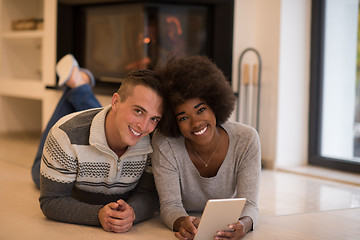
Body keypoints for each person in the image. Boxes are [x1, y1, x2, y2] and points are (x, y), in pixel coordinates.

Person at [32, 54, 164, 233]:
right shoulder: (65, 136)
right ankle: (78, 85)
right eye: (138, 111)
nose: (144, 126)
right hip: (65, 156)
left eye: (154, 118)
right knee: (37, 172)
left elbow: (148, 195)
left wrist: (133, 212)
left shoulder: (153, 141)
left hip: (97, 127)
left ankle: (78, 84)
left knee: (118, 124)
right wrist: (97, 215)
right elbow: (51, 200)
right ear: (115, 101)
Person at [152, 55, 261, 239]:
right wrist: (182, 222)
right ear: (173, 122)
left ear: (214, 105)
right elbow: (170, 205)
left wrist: (244, 224)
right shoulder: (166, 144)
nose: (196, 123)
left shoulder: (246, 139)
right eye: (183, 118)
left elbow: (249, 204)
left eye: (201, 110)